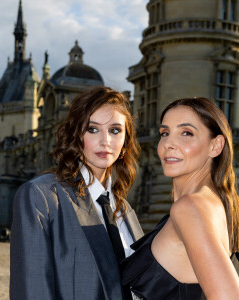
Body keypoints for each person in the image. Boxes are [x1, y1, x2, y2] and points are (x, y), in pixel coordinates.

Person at [121, 97, 239, 300]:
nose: (168, 143)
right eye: (165, 133)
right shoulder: (215, 203)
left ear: (215, 146)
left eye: (186, 133)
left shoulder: (190, 208)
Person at [10, 86, 143, 300]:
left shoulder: (125, 210)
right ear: (75, 135)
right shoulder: (40, 196)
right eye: (92, 129)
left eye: (115, 130)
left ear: (126, 143)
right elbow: (32, 291)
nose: (105, 141)